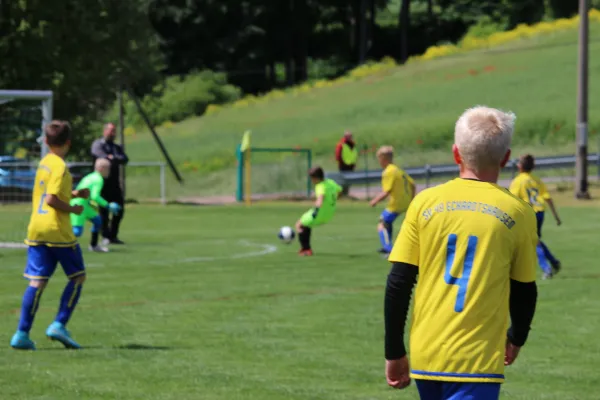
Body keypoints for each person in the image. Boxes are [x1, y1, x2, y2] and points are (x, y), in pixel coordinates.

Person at [384, 106, 538, 400]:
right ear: (506, 159)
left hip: (427, 355)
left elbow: (398, 282)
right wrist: (517, 337)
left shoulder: (424, 203)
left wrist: (394, 351)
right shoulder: (518, 213)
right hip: (477, 358)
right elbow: (524, 289)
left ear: (456, 154)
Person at [10, 120, 89, 350]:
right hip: (57, 230)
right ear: (68, 143)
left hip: (37, 228)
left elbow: (50, 192)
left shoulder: (44, 163)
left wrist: (73, 193)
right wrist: (74, 209)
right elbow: (52, 199)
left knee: (37, 281)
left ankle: (21, 334)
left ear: (45, 141)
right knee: (78, 277)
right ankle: (59, 325)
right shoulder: (61, 167)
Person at [509, 154, 561, 280]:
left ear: (520, 166)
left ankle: (547, 269)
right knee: (535, 240)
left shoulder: (518, 181)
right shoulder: (537, 180)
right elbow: (548, 198)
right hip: (540, 212)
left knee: (533, 242)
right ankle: (554, 262)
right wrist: (556, 216)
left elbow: (512, 200)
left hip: (528, 214)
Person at [369, 146, 415, 254]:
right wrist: (411, 199)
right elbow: (412, 184)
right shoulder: (398, 170)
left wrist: (374, 201)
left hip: (396, 203)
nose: (379, 161)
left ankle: (388, 248)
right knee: (387, 222)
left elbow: (386, 191)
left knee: (382, 223)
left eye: (379, 158)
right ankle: (388, 245)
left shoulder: (388, 172)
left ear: (383, 158)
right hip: (406, 202)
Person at [70, 158, 122, 253]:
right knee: (77, 232)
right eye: (108, 169)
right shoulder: (98, 179)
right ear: (102, 168)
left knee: (98, 221)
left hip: (84, 205)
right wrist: (108, 205)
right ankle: (54, 244)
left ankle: (94, 246)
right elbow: (95, 196)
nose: (109, 171)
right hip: (79, 205)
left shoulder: (90, 176)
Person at [91, 122, 128, 245]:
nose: (112, 133)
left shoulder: (117, 147)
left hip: (115, 185)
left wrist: (113, 157)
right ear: (105, 131)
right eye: (110, 130)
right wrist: (112, 157)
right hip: (102, 184)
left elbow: (124, 159)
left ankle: (113, 235)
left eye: (114, 131)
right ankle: (105, 236)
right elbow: (101, 156)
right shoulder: (98, 144)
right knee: (104, 212)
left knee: (120, 210)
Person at [295, 166, 342, 256]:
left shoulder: (320, 186)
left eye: (311, 178)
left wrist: (315, 212)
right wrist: (333, 201)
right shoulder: (330, 182)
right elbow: (339, 190)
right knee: (306, 224)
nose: (311, 181)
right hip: (329, 213)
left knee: (299, 225)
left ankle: (306, 249)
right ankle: (306, 248)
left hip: (320, 213)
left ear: (315, 178)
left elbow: (320, 199)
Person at [334, 131, 358, 196]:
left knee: (349, 181)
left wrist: (354, 163)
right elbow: (338, 155)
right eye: (348, 136)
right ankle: (341, 194)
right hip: (343, 165)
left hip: (351, 166)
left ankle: (346, 194)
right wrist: (341, 163)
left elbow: (354, 154)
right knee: (343, 181)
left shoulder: (352, 144)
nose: (350, 138)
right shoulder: (341, 144)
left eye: (350, 136)